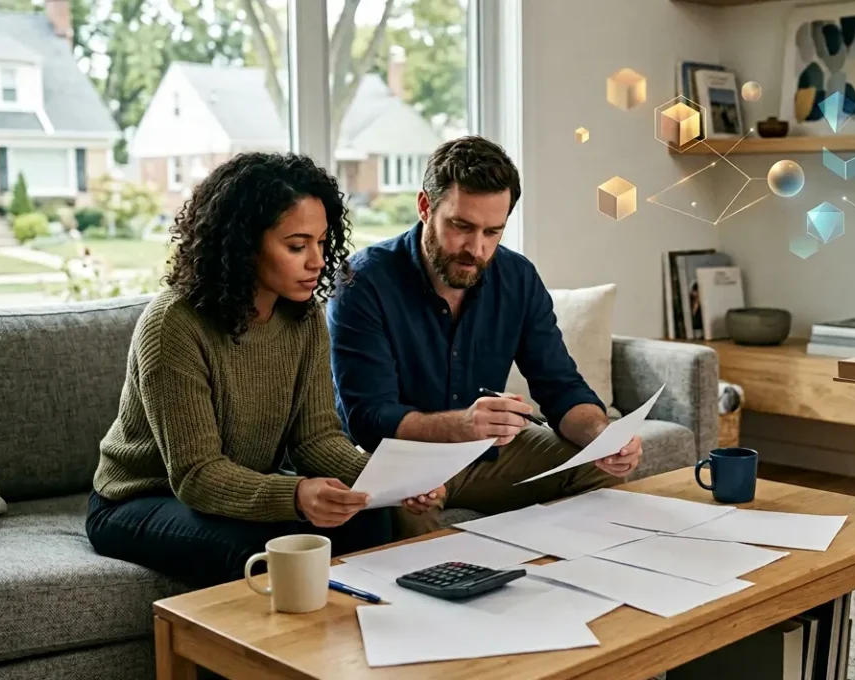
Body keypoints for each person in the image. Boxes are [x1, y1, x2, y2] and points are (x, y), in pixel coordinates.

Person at [86, 153, 406, 589]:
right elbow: (197, 476)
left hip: (231, 487)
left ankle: (349, 645)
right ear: (242, 245)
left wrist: (387, 480)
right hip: (137, 500)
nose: (316, 260)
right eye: (297, 246)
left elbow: (315, 439)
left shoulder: (305, 318)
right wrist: (295, 495)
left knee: (370, 520)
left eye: (321, 241)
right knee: (258, 551)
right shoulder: (173, 325)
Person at [327, 136, 643, 538]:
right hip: (404, 460)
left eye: (493, 232)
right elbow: (367, 418)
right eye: (461, 227)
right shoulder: (362, 281)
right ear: (425, 207)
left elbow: (561, 387)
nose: (476, 249)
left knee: (594, 470)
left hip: (489, 456)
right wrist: (464, 425)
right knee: (404, 517)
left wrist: (605, 439)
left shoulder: (518, 277)